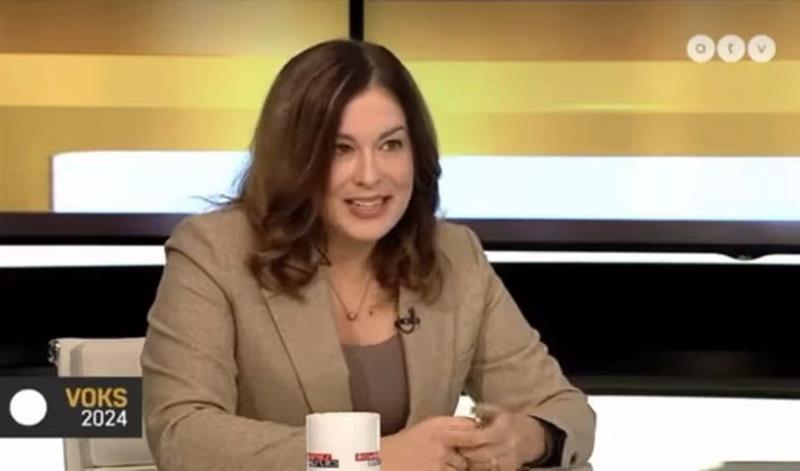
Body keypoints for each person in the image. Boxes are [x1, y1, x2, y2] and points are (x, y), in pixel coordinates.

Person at [141, 39, 595, 471]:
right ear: (295, 158)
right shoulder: (213, 252)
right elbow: (182, 433)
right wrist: (373, 458)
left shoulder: (455, 255)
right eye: (340, 149)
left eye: (390, 144)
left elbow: (564, 409)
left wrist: (527, 438)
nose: (370, 175)